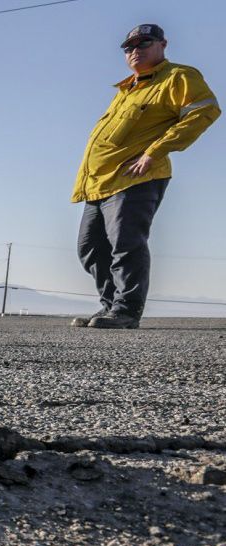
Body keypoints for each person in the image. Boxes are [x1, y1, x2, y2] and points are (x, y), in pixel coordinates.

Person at [71, 23, 219, 329]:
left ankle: (126, 311)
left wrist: (155, 152)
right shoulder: (126, 90)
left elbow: (204, 111)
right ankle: (109, 306)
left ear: (163, 44)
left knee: (126, 244)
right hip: (98, 183)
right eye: (129, 47)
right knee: (90, 249)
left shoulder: (178, 77)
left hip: (135, 178)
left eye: (144, 43)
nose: (135, 50)